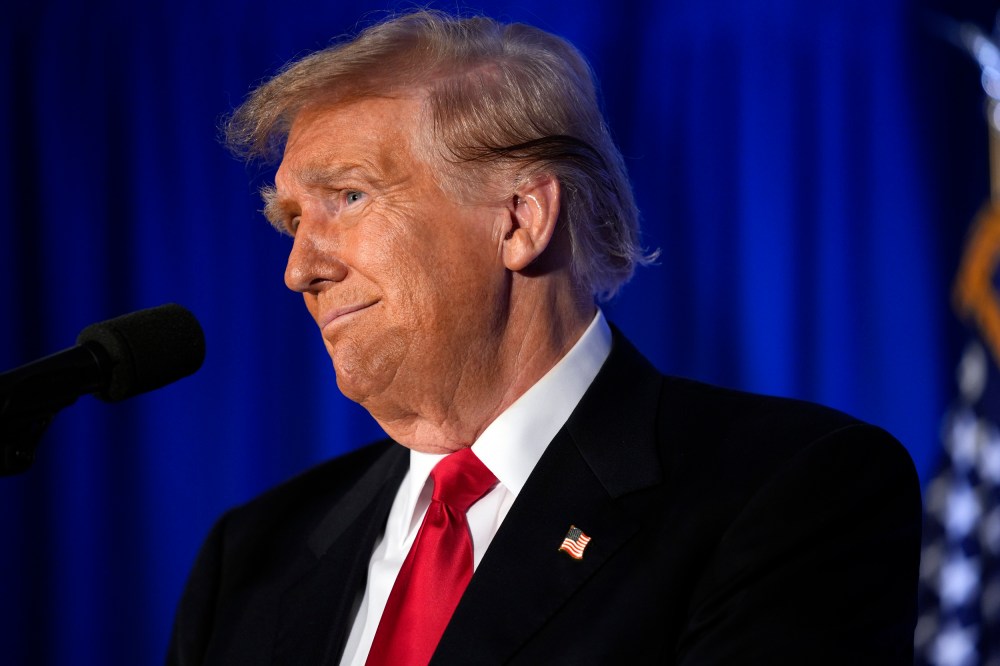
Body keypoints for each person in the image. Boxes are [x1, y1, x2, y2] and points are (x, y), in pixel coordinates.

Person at [167, 9, 921, 665]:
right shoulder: (251, 557)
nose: (299, 270)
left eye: (350, 196)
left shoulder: (786, 494)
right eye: (294, 221)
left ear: (521, 218)